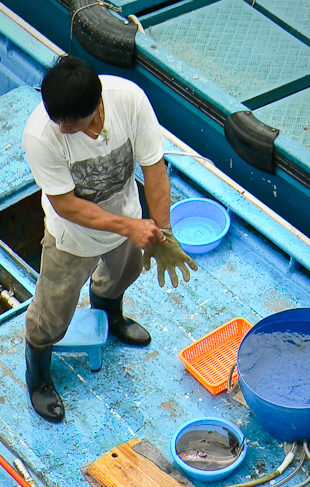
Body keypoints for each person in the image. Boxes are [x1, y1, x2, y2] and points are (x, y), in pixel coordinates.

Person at [22, 55, 197, 423]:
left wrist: (160, 232)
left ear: (96, 106)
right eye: (56, 119)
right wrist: (131, 228)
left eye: (70, 124)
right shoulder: (40, 134)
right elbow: (68, 206)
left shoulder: (129, 99)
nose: (61, 128)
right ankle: (37, 376)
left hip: (126, 217)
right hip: (72, 236)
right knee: (51, 314)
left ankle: (109, 315)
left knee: (123, 275)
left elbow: (154, 169)